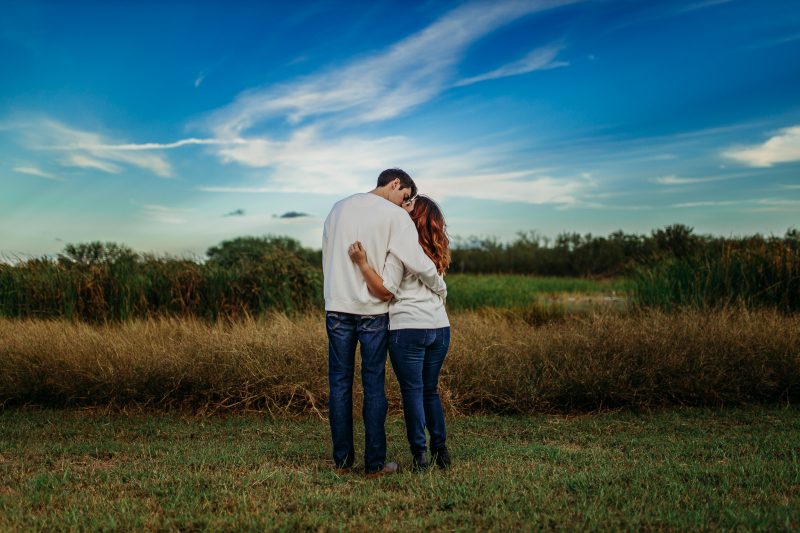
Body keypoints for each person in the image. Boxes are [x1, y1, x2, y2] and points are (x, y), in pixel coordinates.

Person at [322, 169, 447, 478]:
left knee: (339, 383)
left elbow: (327, 258)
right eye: (404, 196)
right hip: (373, 310)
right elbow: (417, 261)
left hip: (337, 306)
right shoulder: (395, 216)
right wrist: (441, 288)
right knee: (373, 384)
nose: (403, 204)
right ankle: (375, 464)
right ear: (395, 184)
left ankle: (342, 462)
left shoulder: (337, 208)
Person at [347, 195, 452, 471]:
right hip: (440, 328)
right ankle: (441, 450)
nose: (402, 206)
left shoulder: (399, 250)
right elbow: (436, 285)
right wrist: (442, 291)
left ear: (413, 217)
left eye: (409, 204)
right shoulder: (436, 251)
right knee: (430, 390)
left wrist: (363, 265)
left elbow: (387, 289)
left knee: (413, 392)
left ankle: (420, 456)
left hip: (408, 328)